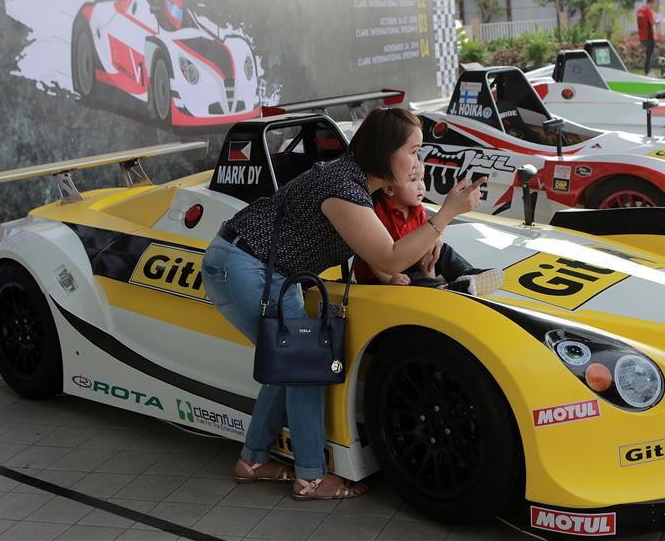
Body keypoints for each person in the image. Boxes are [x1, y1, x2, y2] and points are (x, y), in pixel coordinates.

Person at [201, 108, 486, 500]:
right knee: (304, 369)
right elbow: (389, 257)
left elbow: (392, 245)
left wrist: (432, 229)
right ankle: (311, 478)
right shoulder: (342, 186)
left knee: (289, 368)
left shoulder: (354, 181)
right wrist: (448, 214)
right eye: (415, 151)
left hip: (270, 270)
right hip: (245, 265)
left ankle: (252, 462)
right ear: (385, 151)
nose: (419, 163)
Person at [352, 163, 504, 295]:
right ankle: (444, 288)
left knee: (443, 250)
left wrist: (430, 260)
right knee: (410, 278)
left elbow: (429, 239)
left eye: (422, 179)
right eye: (413, 180)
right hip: (381, 274)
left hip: (410, 261)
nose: (421, 186)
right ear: (389, 188)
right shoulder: (378, 213)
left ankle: (466, 273)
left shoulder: (417, 210)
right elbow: (375, 258)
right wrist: (390, 278)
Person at [636, 0, 657, 76]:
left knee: (650, 54)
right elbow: (651, 22)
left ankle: (648, 71)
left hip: (642, 36)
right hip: (650, 36)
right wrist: (657, 21)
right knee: (650, 55)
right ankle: (648, 72)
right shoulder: (649, 11)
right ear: (651, 3)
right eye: (653, 4)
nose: (653, 6)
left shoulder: (639, 11)